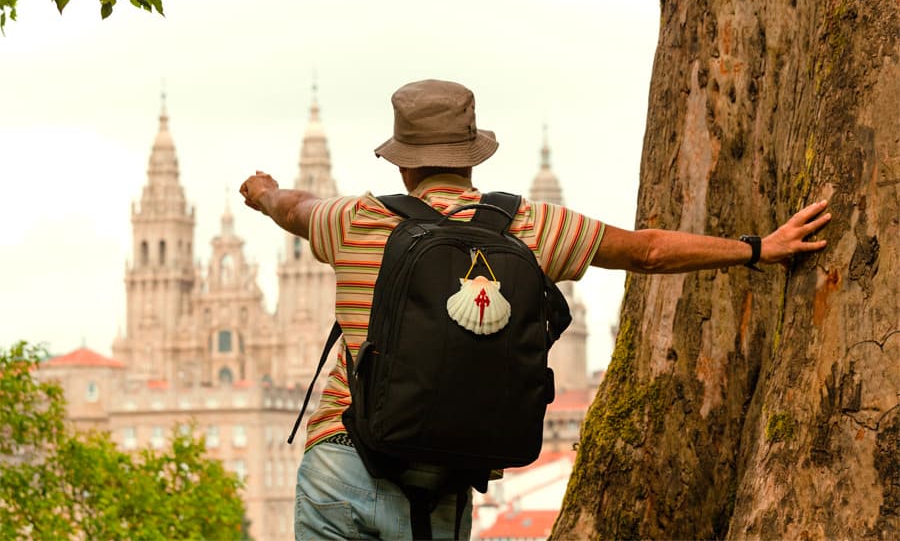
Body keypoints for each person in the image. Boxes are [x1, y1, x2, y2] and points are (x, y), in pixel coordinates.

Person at [240, 79, 831, 540]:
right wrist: (759, 248)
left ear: (402, 162)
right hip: (441, 473)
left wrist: (263, 193)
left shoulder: (357, 219)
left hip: (341, 461)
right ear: (473, 156)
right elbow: (648, 250)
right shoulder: (526, 224)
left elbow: (295, 207)